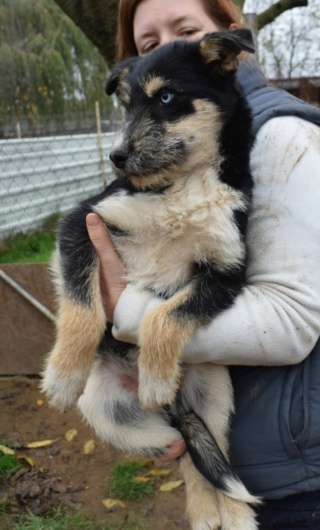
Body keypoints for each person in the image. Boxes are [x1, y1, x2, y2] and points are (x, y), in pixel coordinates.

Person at [85, 0, 320, 527]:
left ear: (227, 40)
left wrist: (130, 314)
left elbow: (291, 322)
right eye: (148, 44)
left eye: (186, 28)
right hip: (238, 447)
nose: (170, 45)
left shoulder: (283, 137)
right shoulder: (173, 159)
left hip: (298, 476)